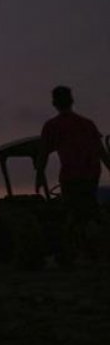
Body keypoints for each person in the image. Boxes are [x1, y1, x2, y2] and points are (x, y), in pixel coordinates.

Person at [38, 86, 110, 261]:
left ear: (54, 103)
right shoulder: (87, 124)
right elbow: (102, 152)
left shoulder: (52, 126)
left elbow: (43, 154)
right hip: (91, 175)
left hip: (72, 177)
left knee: (74, 214)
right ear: (72, 101)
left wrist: (39, 174)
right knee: (89, 210)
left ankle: (74, 250)